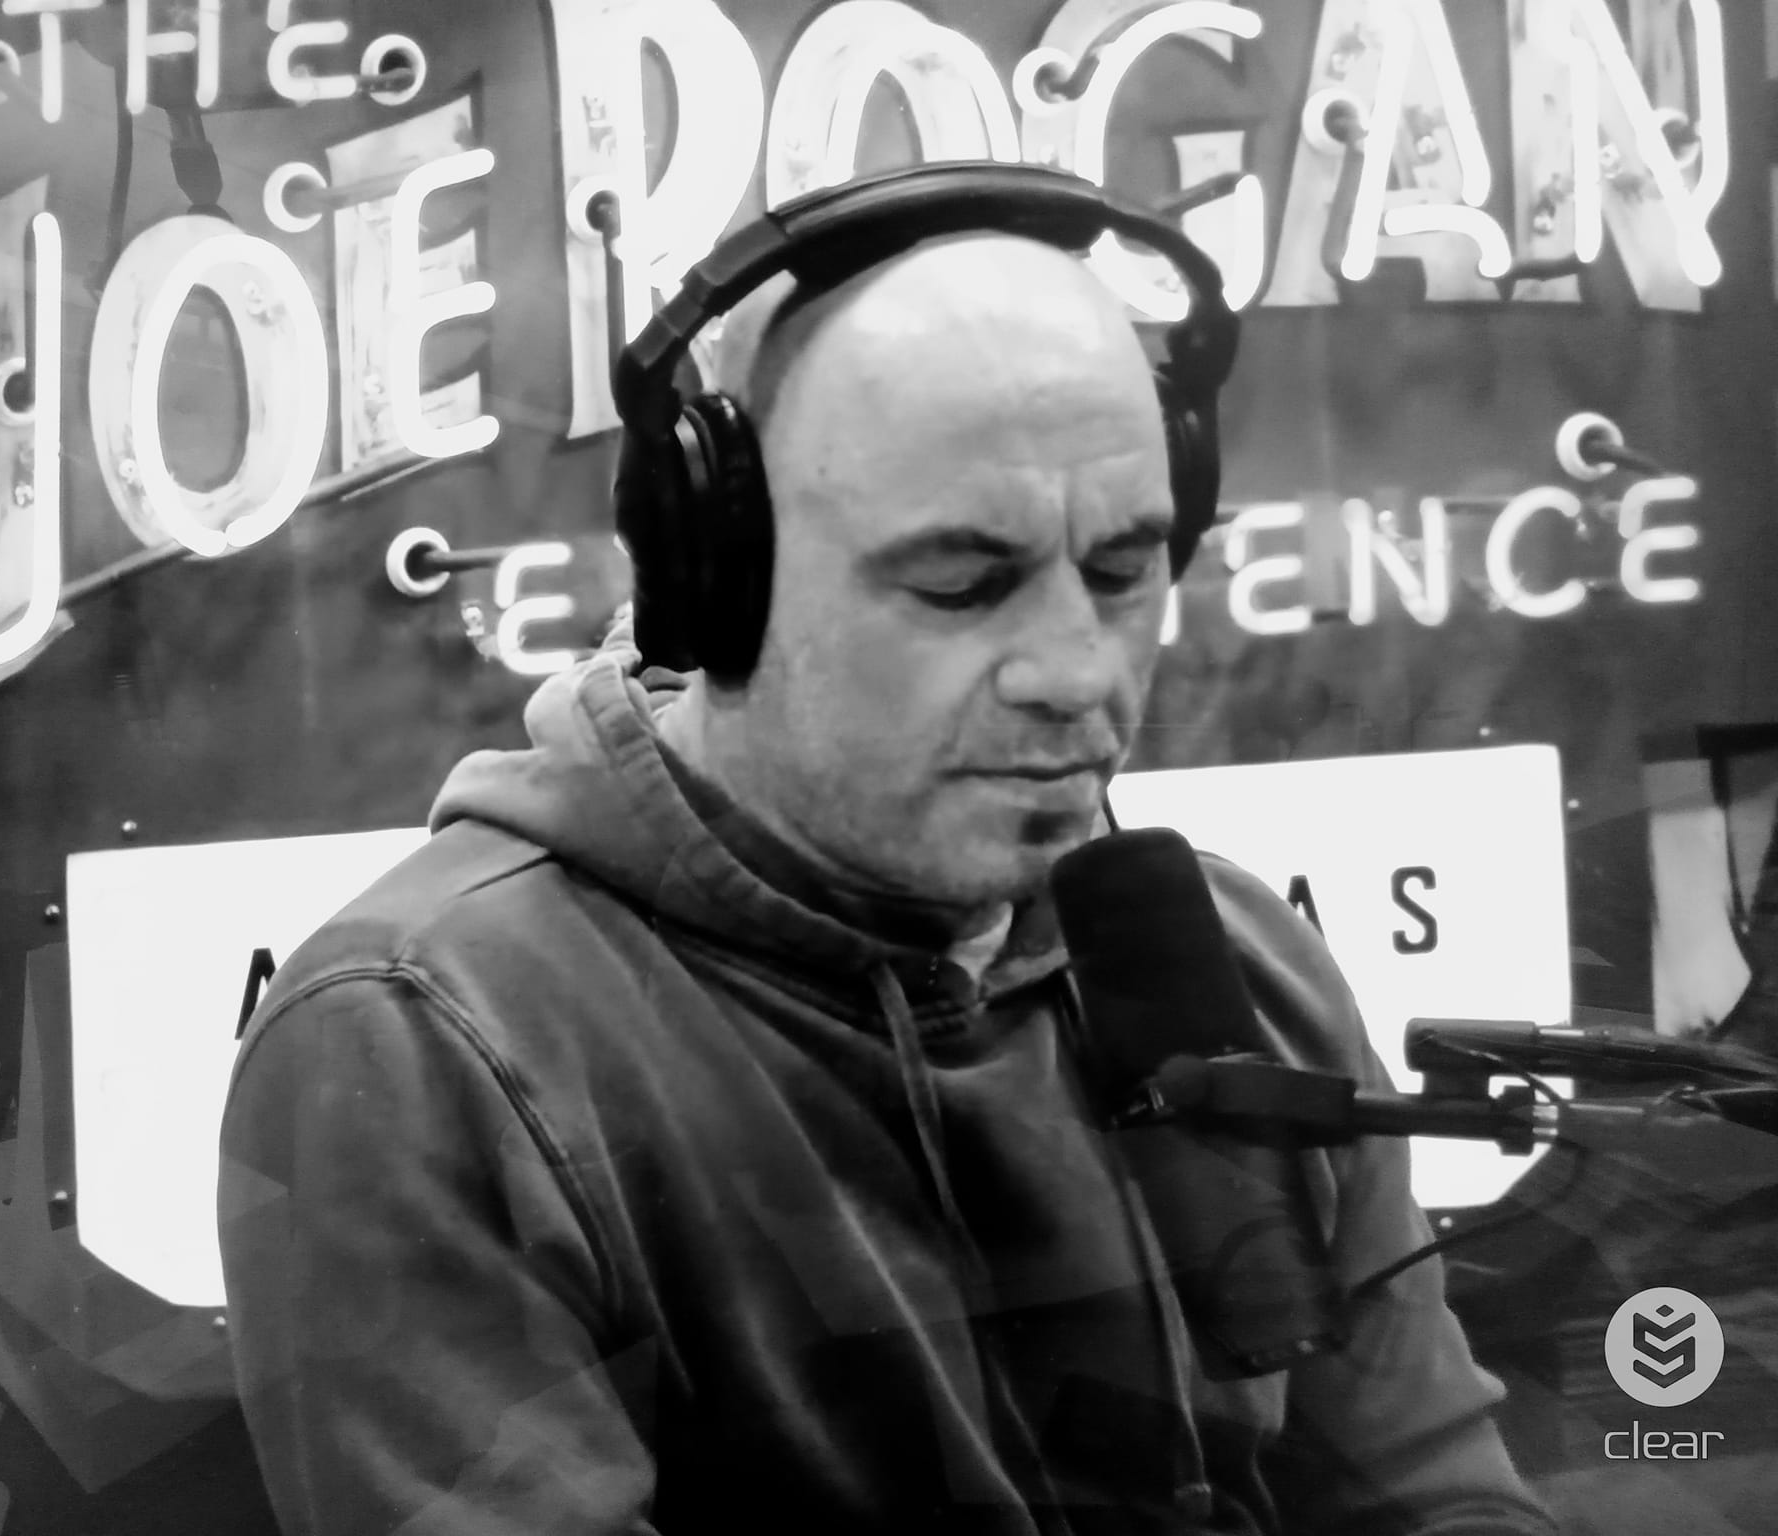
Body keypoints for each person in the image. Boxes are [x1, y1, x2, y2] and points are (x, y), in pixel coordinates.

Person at [217, 173, 1554, 1535]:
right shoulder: (426, 1049)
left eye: (1121, 571)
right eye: (961, 585)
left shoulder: (1243, 965)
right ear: (719, 579)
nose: (1075, 673)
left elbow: (1437, 1497)